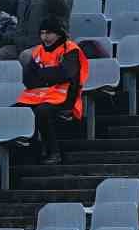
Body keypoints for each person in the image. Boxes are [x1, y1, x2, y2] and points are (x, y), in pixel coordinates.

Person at [16, 17, 87, 165]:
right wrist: (51, 75)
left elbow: (66, 74)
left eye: (49, 33)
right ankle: (30, 152)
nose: (45, 37)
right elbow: (28, 78)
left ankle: (54, 152)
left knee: (42, 112)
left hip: (65, 96)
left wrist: (42, 74)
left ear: (58, 34)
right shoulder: (38, 51)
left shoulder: (70, 49)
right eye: (42, 33)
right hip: (40, 95)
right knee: (17, 110)